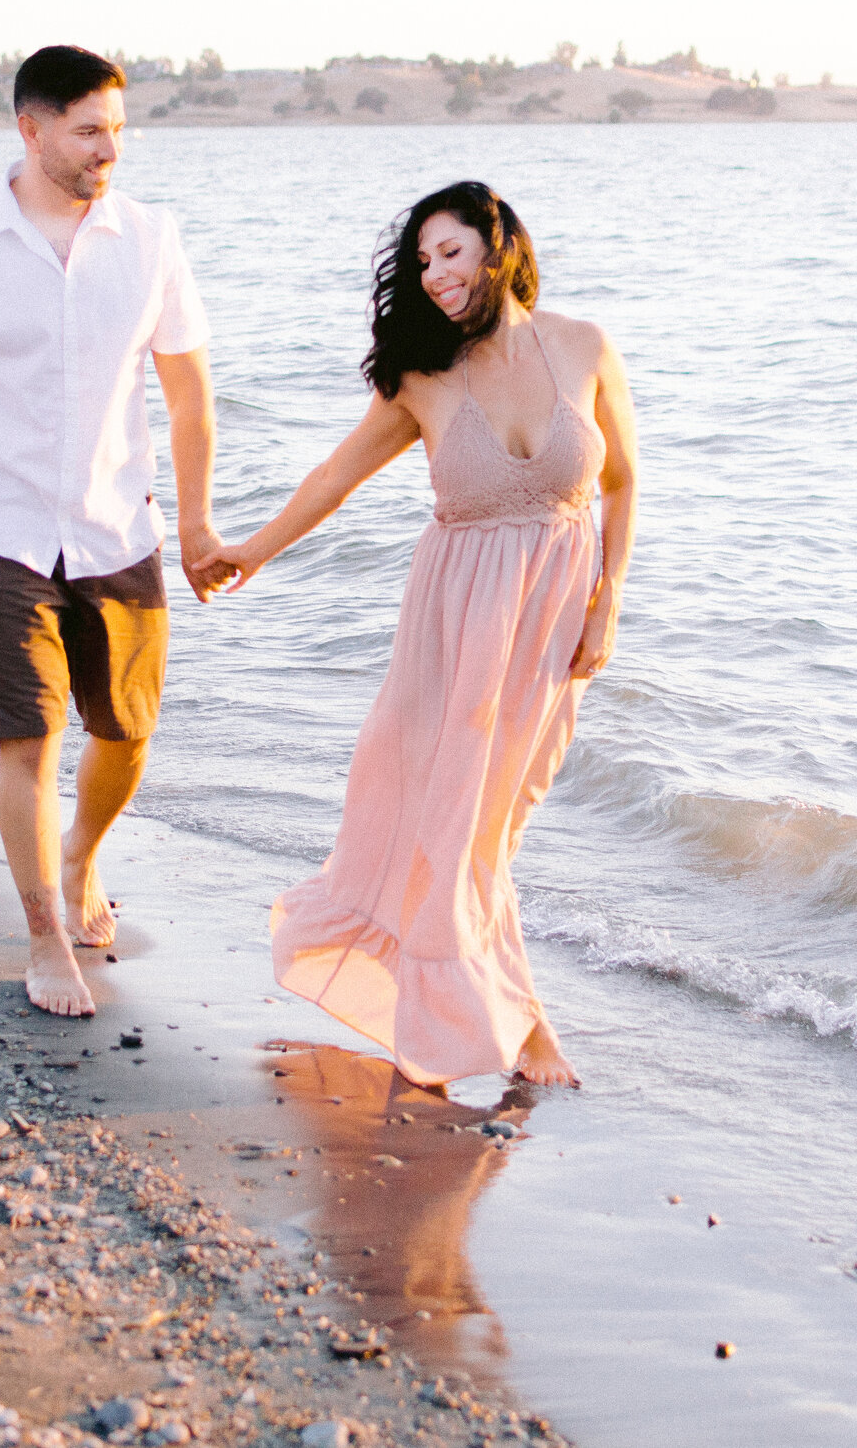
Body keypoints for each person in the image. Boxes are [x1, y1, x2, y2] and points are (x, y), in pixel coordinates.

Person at [197, 182, 638, 1090]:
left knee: (496, 826)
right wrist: (252, 552)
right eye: (423, 261)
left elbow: (622, 480)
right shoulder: (421, 379)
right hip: (453, 627)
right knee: (454, 823)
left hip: (551, 628)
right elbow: (335, 476)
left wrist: (610, 597)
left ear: (498, 245)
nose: (435, 276)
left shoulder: (585, 346)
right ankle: (514, 1029)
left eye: (451, 253)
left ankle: (472, 1014)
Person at [0, 43, 227, 1019]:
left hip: (119, 523)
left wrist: (196, 524)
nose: (108, 148)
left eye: (118, 128)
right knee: (26, 733)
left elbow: (189, 395)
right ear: (29, 130)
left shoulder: (150, 239)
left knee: (127, 728)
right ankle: (43, 938)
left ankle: (82, 853)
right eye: (87, 131)